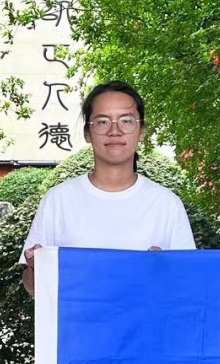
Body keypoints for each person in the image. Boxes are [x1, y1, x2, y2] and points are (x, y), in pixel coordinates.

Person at [22, 81, 196, 294]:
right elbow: (33, 288)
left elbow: (187, 285)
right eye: (103, 121)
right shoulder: (58, 200)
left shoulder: (166, 204)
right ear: (88, 132)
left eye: (127, 121)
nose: (115, 130)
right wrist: (35, 268)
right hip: (78, 317)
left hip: (145, 317)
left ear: (141, 131)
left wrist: (166, 272)